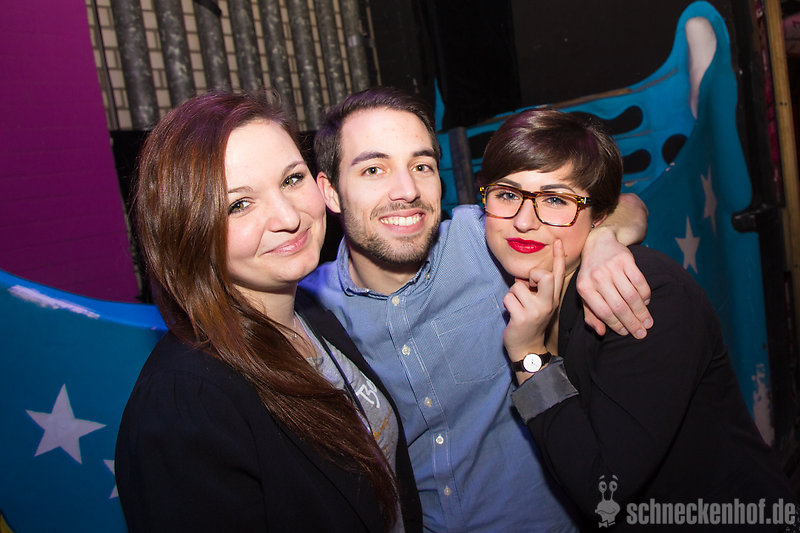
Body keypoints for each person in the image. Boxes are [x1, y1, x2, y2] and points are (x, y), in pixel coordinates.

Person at [301, 86, 652, 531]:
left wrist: (603, 240)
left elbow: (622, 206)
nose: (406, 190)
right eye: (374, 169)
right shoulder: (307, 312)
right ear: (331, 192)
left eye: (421, 166)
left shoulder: (484, 239)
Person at [114, 91, 422, 532]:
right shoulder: (185, 402)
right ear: (188, 230)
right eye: (239, 204)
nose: (288, 217)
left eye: (292, 179)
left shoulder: (310, 313)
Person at [481, 108, 798, 531]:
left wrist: (529, 356)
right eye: (507, 194)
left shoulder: (640, 298)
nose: (523, 221)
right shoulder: (510, 266)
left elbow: (603, 493)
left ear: (599, 215)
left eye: (555, 200)